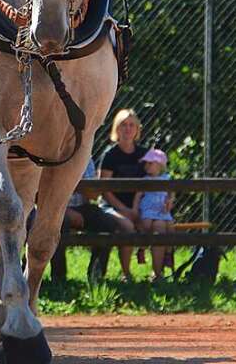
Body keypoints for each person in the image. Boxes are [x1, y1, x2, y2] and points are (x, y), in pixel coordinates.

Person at [49, 157, 133, 285]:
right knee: (59, 224)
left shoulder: (85, 156)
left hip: (83, 207)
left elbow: (93, 194)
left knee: (107, 224)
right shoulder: (52, 154)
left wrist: (74, 181)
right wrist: (64, 210)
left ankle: (96, 275)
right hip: (54, 208)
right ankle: (59, 278)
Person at [98, 108, 149, 281]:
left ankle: (158, 274)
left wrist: (138, 210)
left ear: (137, 129)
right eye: (123, 125)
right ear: (116, 129)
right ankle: (126, 274)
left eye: (131, 125)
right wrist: (126, 211)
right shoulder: (110, 155)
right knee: (127, 226)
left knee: (158, 225)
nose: (127, 129)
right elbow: (105, 190)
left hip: (139, 206)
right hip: (111, 206)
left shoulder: (144, 154)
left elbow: (154, 181)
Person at [133, 148, 174, 281]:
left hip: (161, 210)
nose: (147, 166)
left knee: (170, 226)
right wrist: (135, 210)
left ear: (160, 166)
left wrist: (170, 200)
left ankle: (168, 253)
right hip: (148, 209)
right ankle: (142, 248)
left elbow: (171, 193)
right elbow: (138, 195)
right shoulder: (145, 179)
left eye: (150, 163)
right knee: (146, 224)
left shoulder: (166, 179)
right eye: (146, 163)